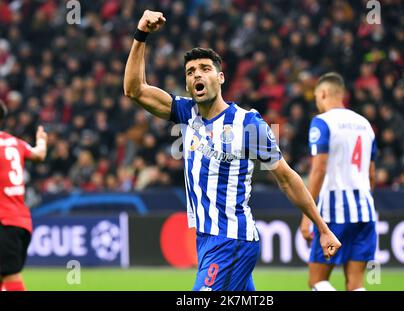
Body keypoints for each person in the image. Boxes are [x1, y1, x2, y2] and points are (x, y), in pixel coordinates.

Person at [124, 10, 341, 291]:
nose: (196, 75)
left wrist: (322, 228)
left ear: (221, 77)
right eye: (190, 72)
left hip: (230, 241)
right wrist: (141, 34)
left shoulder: (248, 124)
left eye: (204, 68)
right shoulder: (185, 112)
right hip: (206, 239)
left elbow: (287, 178)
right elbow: (134, 90)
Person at [300, 72, 377, 291]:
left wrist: (307, 215)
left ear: (323, 93)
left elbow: (319, 169)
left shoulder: (322, 122)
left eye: (316, 96)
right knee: (356, 284)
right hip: (365, 210)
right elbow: (371, 174)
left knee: (317, 281)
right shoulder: (365, 124)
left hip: (334, 210)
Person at [0, 100, 48, 291]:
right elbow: (39, 154)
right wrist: (42, 140)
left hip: (4, 222)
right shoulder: (14, 142)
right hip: (20, 222)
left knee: (11, 277)